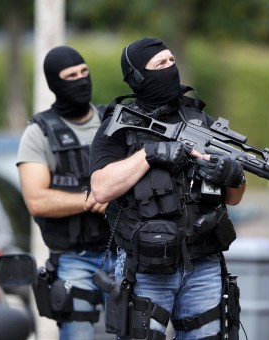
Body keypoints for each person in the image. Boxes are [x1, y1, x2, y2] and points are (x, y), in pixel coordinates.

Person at [89, 37, 246, 340]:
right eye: (159, 64)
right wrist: (150, 154)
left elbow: (234, 198)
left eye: (171, 61)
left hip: (202, 263)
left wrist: (234, 175)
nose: (169, 68)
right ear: (137, 77)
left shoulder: (199, 120)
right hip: (146, 266)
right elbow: (101, 188)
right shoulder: (121, 125)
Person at [17, 46, 115, 340]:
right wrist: (91, 198)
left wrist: (115, 194)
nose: (81, 80)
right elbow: (36, 200)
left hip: (122, 252)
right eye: (71, 76)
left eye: (84, 72)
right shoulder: (39, 133)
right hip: (75, 258)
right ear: (55, 84)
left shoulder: (111, 122)